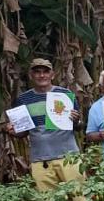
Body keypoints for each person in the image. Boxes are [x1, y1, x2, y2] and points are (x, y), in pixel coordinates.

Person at [5, 58, 84, 191]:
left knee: (79, 197)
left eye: (46, 72)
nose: (42, 75)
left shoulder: (65, 95)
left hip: (69, 157)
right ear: (31, 75)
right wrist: (12, 131)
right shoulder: (23, 99)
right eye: (37, 72)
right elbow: (23, 132)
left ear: (52, 75)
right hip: (40, 160)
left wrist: (76, 121)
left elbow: (79, 126)